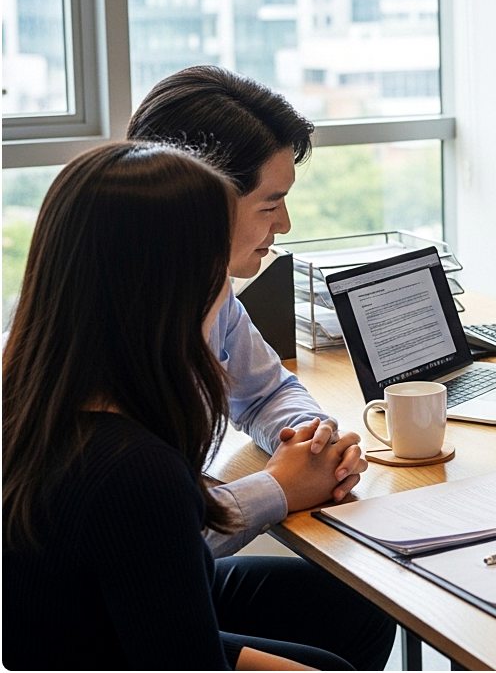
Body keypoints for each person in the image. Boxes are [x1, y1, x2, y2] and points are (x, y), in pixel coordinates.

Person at [2, 143, 349, 668]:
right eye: (213, 268)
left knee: (337, 611)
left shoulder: (34, 394)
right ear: (173, 290)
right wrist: (279, 487)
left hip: (74, 634)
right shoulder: (133, 471)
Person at [127, 66, 394, 668]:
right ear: (197, 200)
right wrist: (279, 488)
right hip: (92, 622)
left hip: (169, 574)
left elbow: (267, 389)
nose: (285, 226)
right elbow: (146, 543)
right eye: (271, 203)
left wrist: (307, 437)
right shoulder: (104, 343)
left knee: (361, 603)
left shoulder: (206, 292)